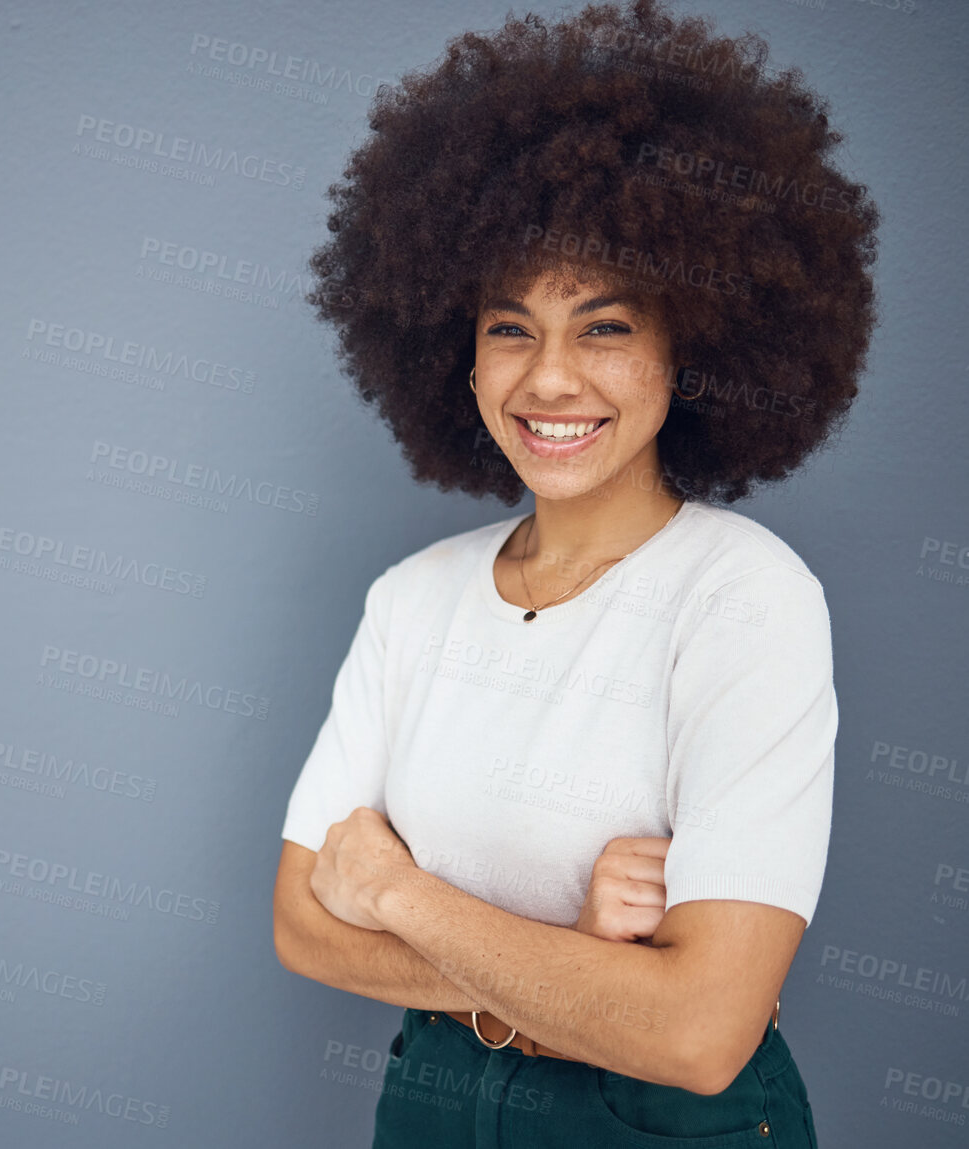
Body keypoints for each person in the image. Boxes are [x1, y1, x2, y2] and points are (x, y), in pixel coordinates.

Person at [272, 1, 879, 1145]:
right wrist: (566, 982)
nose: (549, 379)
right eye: (510, 328)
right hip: (430, 1107)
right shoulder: (410, 601)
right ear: (452, 356)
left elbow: (699, 1036)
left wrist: (399, 897)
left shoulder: (744, 597)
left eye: (602, 328)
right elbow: (300, 928)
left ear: (686, 346)